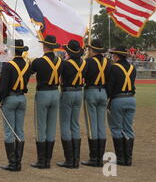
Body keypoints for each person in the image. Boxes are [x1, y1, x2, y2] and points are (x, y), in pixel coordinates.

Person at [0, 39, 31, 172]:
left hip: (10, 99)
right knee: (19, 131)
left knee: (9, 132)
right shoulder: (27, 65)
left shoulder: (8, 66)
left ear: (12, 50)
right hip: (22, 98)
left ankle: (12, 163)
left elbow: (3, 86)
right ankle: (18, 162)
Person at [30, 35, 61, 169]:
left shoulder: (39, 61)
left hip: (43, 93)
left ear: (44, 46)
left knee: (41, 127)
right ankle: (48, 159)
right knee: (51, 127)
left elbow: (29, 72)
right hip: (55, 93)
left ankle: (41, 160)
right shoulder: (60, 61)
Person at [81, 39, 111, 167]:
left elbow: (82, 75)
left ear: (92, 50)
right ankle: (100, 156)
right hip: (103, 92)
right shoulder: (109, 62)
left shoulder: (88, 62)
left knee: (92, 125)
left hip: (91, 91)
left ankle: (94, 158)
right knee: (101, 125)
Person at [57, 39, 85, 169]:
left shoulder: (65, 64)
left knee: (65, 124)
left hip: (67, 92)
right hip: (79, 92)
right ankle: (76, 159)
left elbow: (59, 78)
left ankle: (69, 159)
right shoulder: (83, 63)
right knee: (75, 124)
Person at [107, 46, 137, 167]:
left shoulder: (114, 68)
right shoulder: (132, 68)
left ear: (117, 56)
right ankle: (128, 158)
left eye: (113, 55)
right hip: (131, 99)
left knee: (116, 128)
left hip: (118, 100)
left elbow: (110, 86)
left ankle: (120, 158)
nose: (112, 57)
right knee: (128, 129)